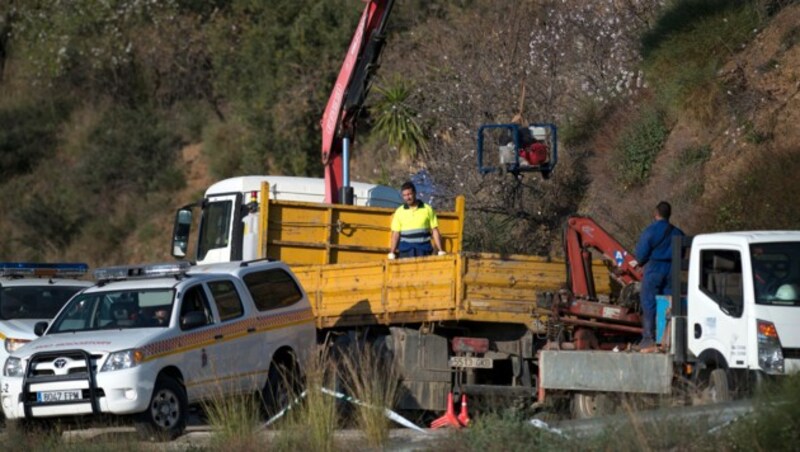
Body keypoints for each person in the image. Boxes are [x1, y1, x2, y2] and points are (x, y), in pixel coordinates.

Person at [632, 201, 684, 352]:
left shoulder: (650, 231)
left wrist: (640, 262)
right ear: (669, 214)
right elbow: (682, 252)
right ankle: (668, 338)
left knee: (648, 301)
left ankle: (648, 338)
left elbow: (641, 253)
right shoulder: (678, 233)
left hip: (654, 268)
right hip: (673, 269)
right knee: (669, 302)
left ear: (656, 214)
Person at [388, 181, 445, 259]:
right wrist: (392, 252)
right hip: (405, 251)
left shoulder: (427, 209)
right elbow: (396, 234)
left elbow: (434, 230)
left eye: (409, 194)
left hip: (423, 250)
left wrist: (440, 250)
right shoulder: (399, 212)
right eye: (404, 195)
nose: (407, 198)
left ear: (415, 193)